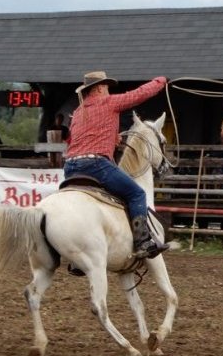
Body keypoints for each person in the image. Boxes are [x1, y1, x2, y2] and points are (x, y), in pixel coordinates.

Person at [64, 71, 170, 263]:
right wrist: (160, 82)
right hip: (96, 165)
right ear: (98, 88)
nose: (107, 90)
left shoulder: (79, 111)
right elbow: (138, 95)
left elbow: (75, 139)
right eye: (105, 86)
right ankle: (142, 242)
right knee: (137, 194)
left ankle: (78, 253)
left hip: (70, 167)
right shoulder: (109, 102)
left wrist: (113, 138)